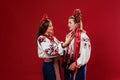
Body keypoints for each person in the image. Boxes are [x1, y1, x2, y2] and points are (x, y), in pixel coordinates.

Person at [37, 14, 73, 80]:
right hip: (49, 65)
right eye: (50, 26)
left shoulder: (53, 38)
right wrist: (64, 44)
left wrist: (69, 47)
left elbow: (61, 47)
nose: (52, 27)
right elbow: (51, 51)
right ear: (45, 28)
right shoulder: (41, 38)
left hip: (56, 63)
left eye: (52, 25)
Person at [63, 9, 91, 80]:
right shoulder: (69, 35)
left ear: (76, 24)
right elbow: (66, 49)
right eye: (68, 22)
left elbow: (85, 53)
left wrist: (76, 63)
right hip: (69, 66)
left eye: (70, 23)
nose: (68, 25)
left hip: (78, 67)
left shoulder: (83, 36)